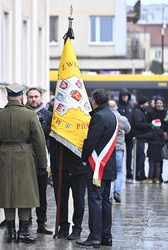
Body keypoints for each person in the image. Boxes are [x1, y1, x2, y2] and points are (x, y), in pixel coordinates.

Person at [0, 83, 47, 243]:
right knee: (25, 193)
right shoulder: (30, 115)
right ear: (21, 97)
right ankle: (24, 232)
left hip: (4, 155)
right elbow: (39, 141)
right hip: (25, 155)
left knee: (7, 193)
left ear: (7, 97)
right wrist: (42, 163)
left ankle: (10, 232)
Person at [77, 89, 118, 248]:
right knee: (106, 201)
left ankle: (95, 237)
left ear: (94, 101)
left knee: (95, 201)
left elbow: (91, 141)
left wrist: (83, 158)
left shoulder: (99, 116)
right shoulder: (112, 114)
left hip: (97, 167)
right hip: (108, 165)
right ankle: (106, 236)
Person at [25, 87, 53, 235]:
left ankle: (41, 223)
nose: (33, 99)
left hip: (43, 160)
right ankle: (27, 222)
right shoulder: (23, 114)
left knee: (42, 195)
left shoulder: (48, 115)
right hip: (26, 160)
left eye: (36, 96)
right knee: (27, 194)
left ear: (41, 98)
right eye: (30, 97)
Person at [50, 140, 86, 240]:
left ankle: (77, 228)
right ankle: (63, 227)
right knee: (61, 199)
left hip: (78, 165)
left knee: (79, 200)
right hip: (60, 165)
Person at [108, 100, 131, 203]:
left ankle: (108, 194)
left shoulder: (106, 118)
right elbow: (128, 130)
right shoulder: (122, 119)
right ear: (116, 107)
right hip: (119, 149)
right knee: (119, 171)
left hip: (107, 150)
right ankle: (117, 191)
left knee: (107, 172)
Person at [146, 96, 168, 182]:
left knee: (160, 159)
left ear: (163, 103)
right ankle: (152, 176)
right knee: (152, 159)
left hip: (163, 139)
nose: (159, 104)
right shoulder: (150, 112)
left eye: (160, 103)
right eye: (157, 103)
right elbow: (148, 123)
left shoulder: (166, 112)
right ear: (155, 104)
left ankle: (159, 176)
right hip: (153, 139)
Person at [136, 119, 166, 184]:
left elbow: (146, 136)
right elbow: (163, 142)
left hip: (152, 152)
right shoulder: (162, 133)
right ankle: (157, 178)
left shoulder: (152, 132)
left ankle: (150, 178)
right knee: (158, 165)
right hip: (159, 152)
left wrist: (137, 137)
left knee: (151, 166)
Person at [132, 96, 151, 181]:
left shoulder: (140, 111)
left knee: (140, 157)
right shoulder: (138, 112)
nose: (147, 104)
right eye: (146, 103)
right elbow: (138, 123)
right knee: (140, 157)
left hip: (140, 137)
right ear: (142, 103)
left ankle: (139, 174)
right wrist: (150, 125)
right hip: (139, 137)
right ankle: (140, 175)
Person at [117, 89, 133, 181]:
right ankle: (118, 172)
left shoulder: (131, 106)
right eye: (123, 96)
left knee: (129, 155)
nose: (125, 98)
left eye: (126, 96)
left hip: (130, 134)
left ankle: (129, 172)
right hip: (120, 135)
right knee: (119, 155)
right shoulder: (118, 106)